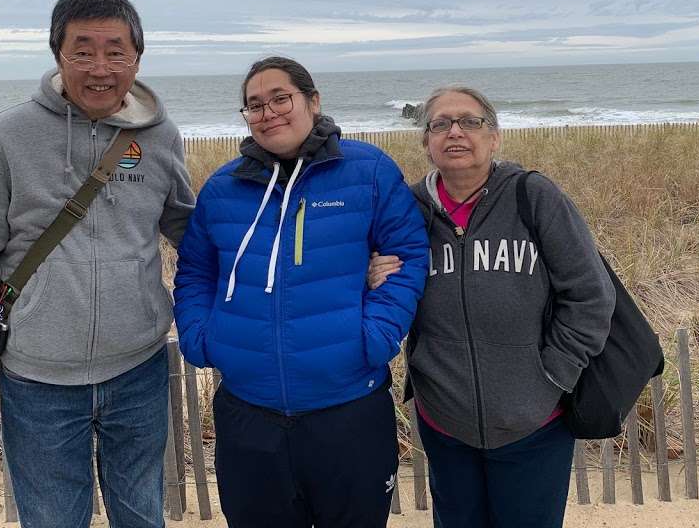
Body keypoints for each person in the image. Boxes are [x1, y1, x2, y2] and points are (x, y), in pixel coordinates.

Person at [0, 0, 195, 528]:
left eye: (115, 51)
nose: (100, 68)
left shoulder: (160, 136)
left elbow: (192, 232)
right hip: (37, 379)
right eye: (83, 51)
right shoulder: (7, 136)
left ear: (137, 58)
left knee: (142, 515)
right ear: (57, 55)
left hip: (139, 368)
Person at [173, 56, 427, 528]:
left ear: (312, 101)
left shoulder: (368, 171)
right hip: (248, 414)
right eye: (253, 105)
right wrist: (200, 336)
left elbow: (408, 253)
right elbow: (194, 271)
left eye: (280, 98)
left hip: (349, 410)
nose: (267, 112)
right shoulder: (223, 188)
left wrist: (374, 335)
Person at [367, 86, 615, 528]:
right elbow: (375, 287)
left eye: (470, 121)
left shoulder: (533, 197)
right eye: (439, 124)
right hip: (444, 423)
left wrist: (553, 373)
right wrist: (371, 277)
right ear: (426, 142)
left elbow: (591, 295)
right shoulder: (408, 210)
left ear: (494, 136)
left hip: (533, 423)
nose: (454, 132)